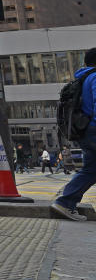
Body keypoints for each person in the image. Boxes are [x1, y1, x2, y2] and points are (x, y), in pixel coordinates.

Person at [51, 49, 96, 221]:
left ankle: (65, 203)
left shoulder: (83, 77)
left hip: (84, 130)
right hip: (93, 128)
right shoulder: (95, 77)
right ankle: (65, 202)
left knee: (91, 170)